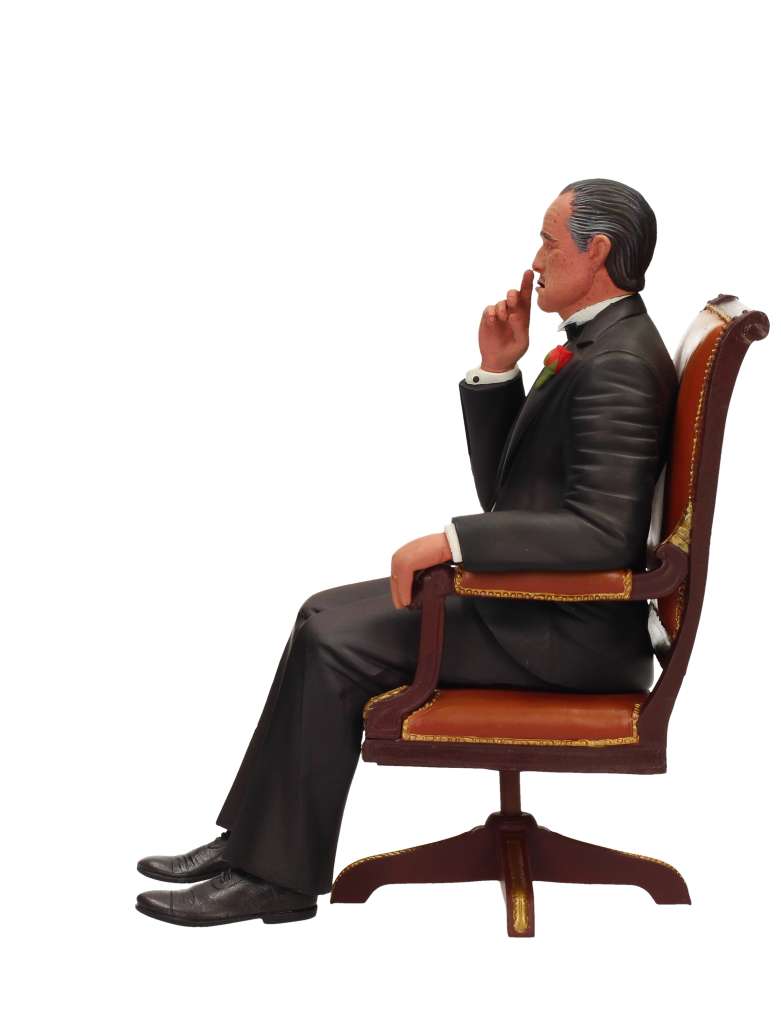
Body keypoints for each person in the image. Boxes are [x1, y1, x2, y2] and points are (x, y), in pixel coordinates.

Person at [135, 178, 678, 926]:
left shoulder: (619, 362)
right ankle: (254, 844)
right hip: (546, 608)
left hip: (568, 636)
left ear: (598, 251)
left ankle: (276, 879)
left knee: (336, 641)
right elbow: (510, 494)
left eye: (549, 242)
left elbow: (603, 533)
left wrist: (450, 541)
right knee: (320, 612)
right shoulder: (598, 343)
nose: (536, 259)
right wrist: (498, 369)